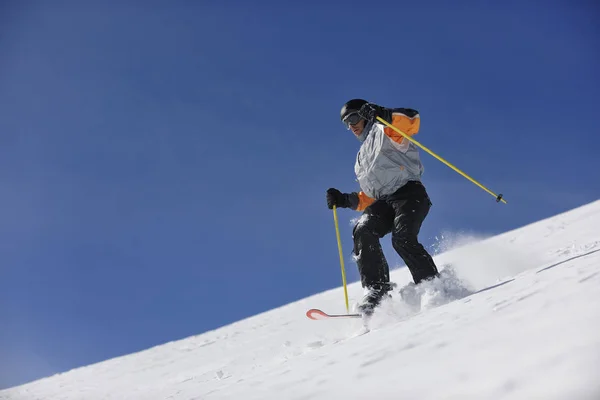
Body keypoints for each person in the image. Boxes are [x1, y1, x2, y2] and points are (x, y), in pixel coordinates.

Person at [326, 99, 439, 316]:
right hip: (384, 201)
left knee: (402, 238)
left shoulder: (385, 129)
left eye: (353, 118)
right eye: (346, 123)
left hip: (409, 193)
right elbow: (370, 195)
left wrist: (383, 114)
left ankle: (431, 285)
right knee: (363, 229)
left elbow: (411, 121)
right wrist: (344, 200)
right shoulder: (361, 158)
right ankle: (377, 290)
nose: (351, 126)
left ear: (365, 114)